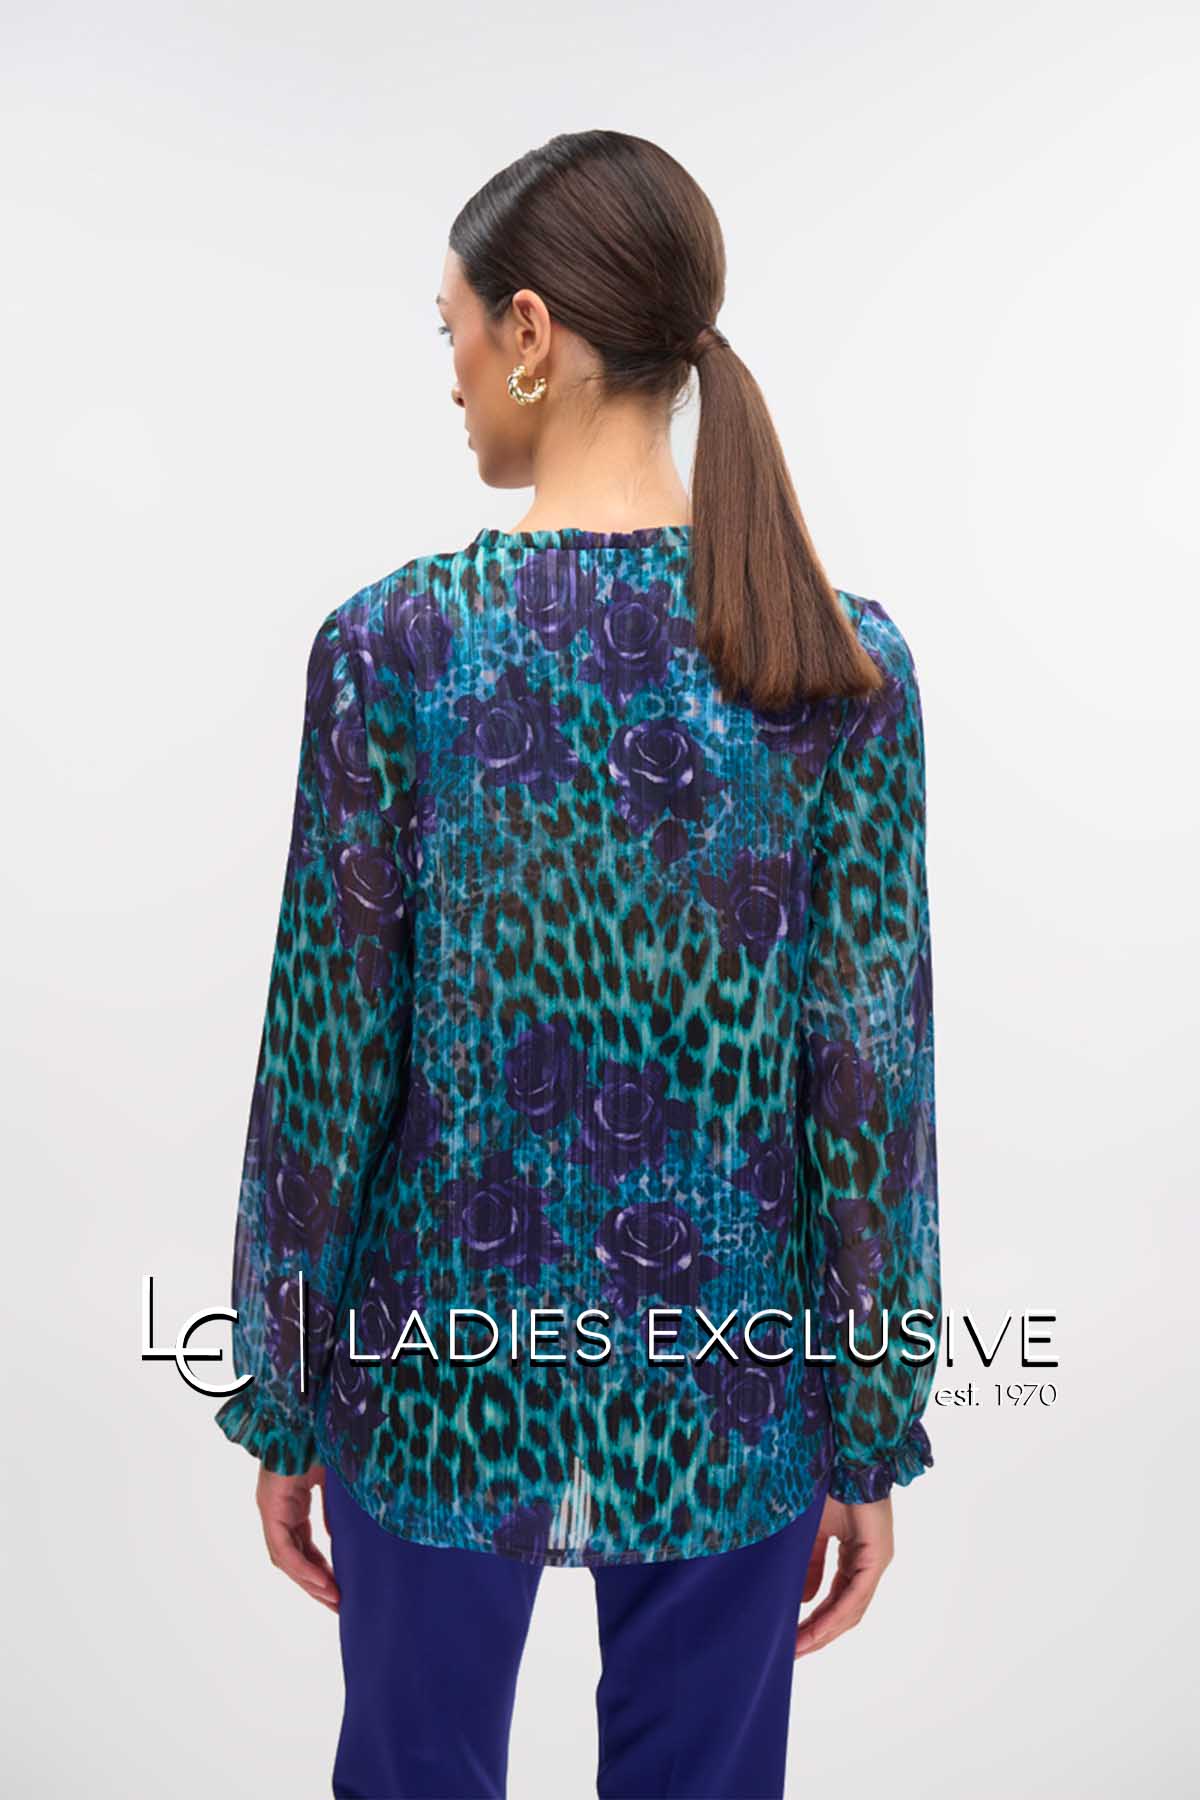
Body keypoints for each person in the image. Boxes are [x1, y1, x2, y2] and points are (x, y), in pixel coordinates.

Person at [214, 128, 941, 1800]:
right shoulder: (837, 665)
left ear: (531, 332)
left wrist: (286, 1391)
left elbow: (328, 1059)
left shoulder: (400, 647)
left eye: (456, 330)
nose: (453, 375)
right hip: (733, 1385)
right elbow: (868, 1090)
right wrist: (867, 1417)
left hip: (430, 1369)